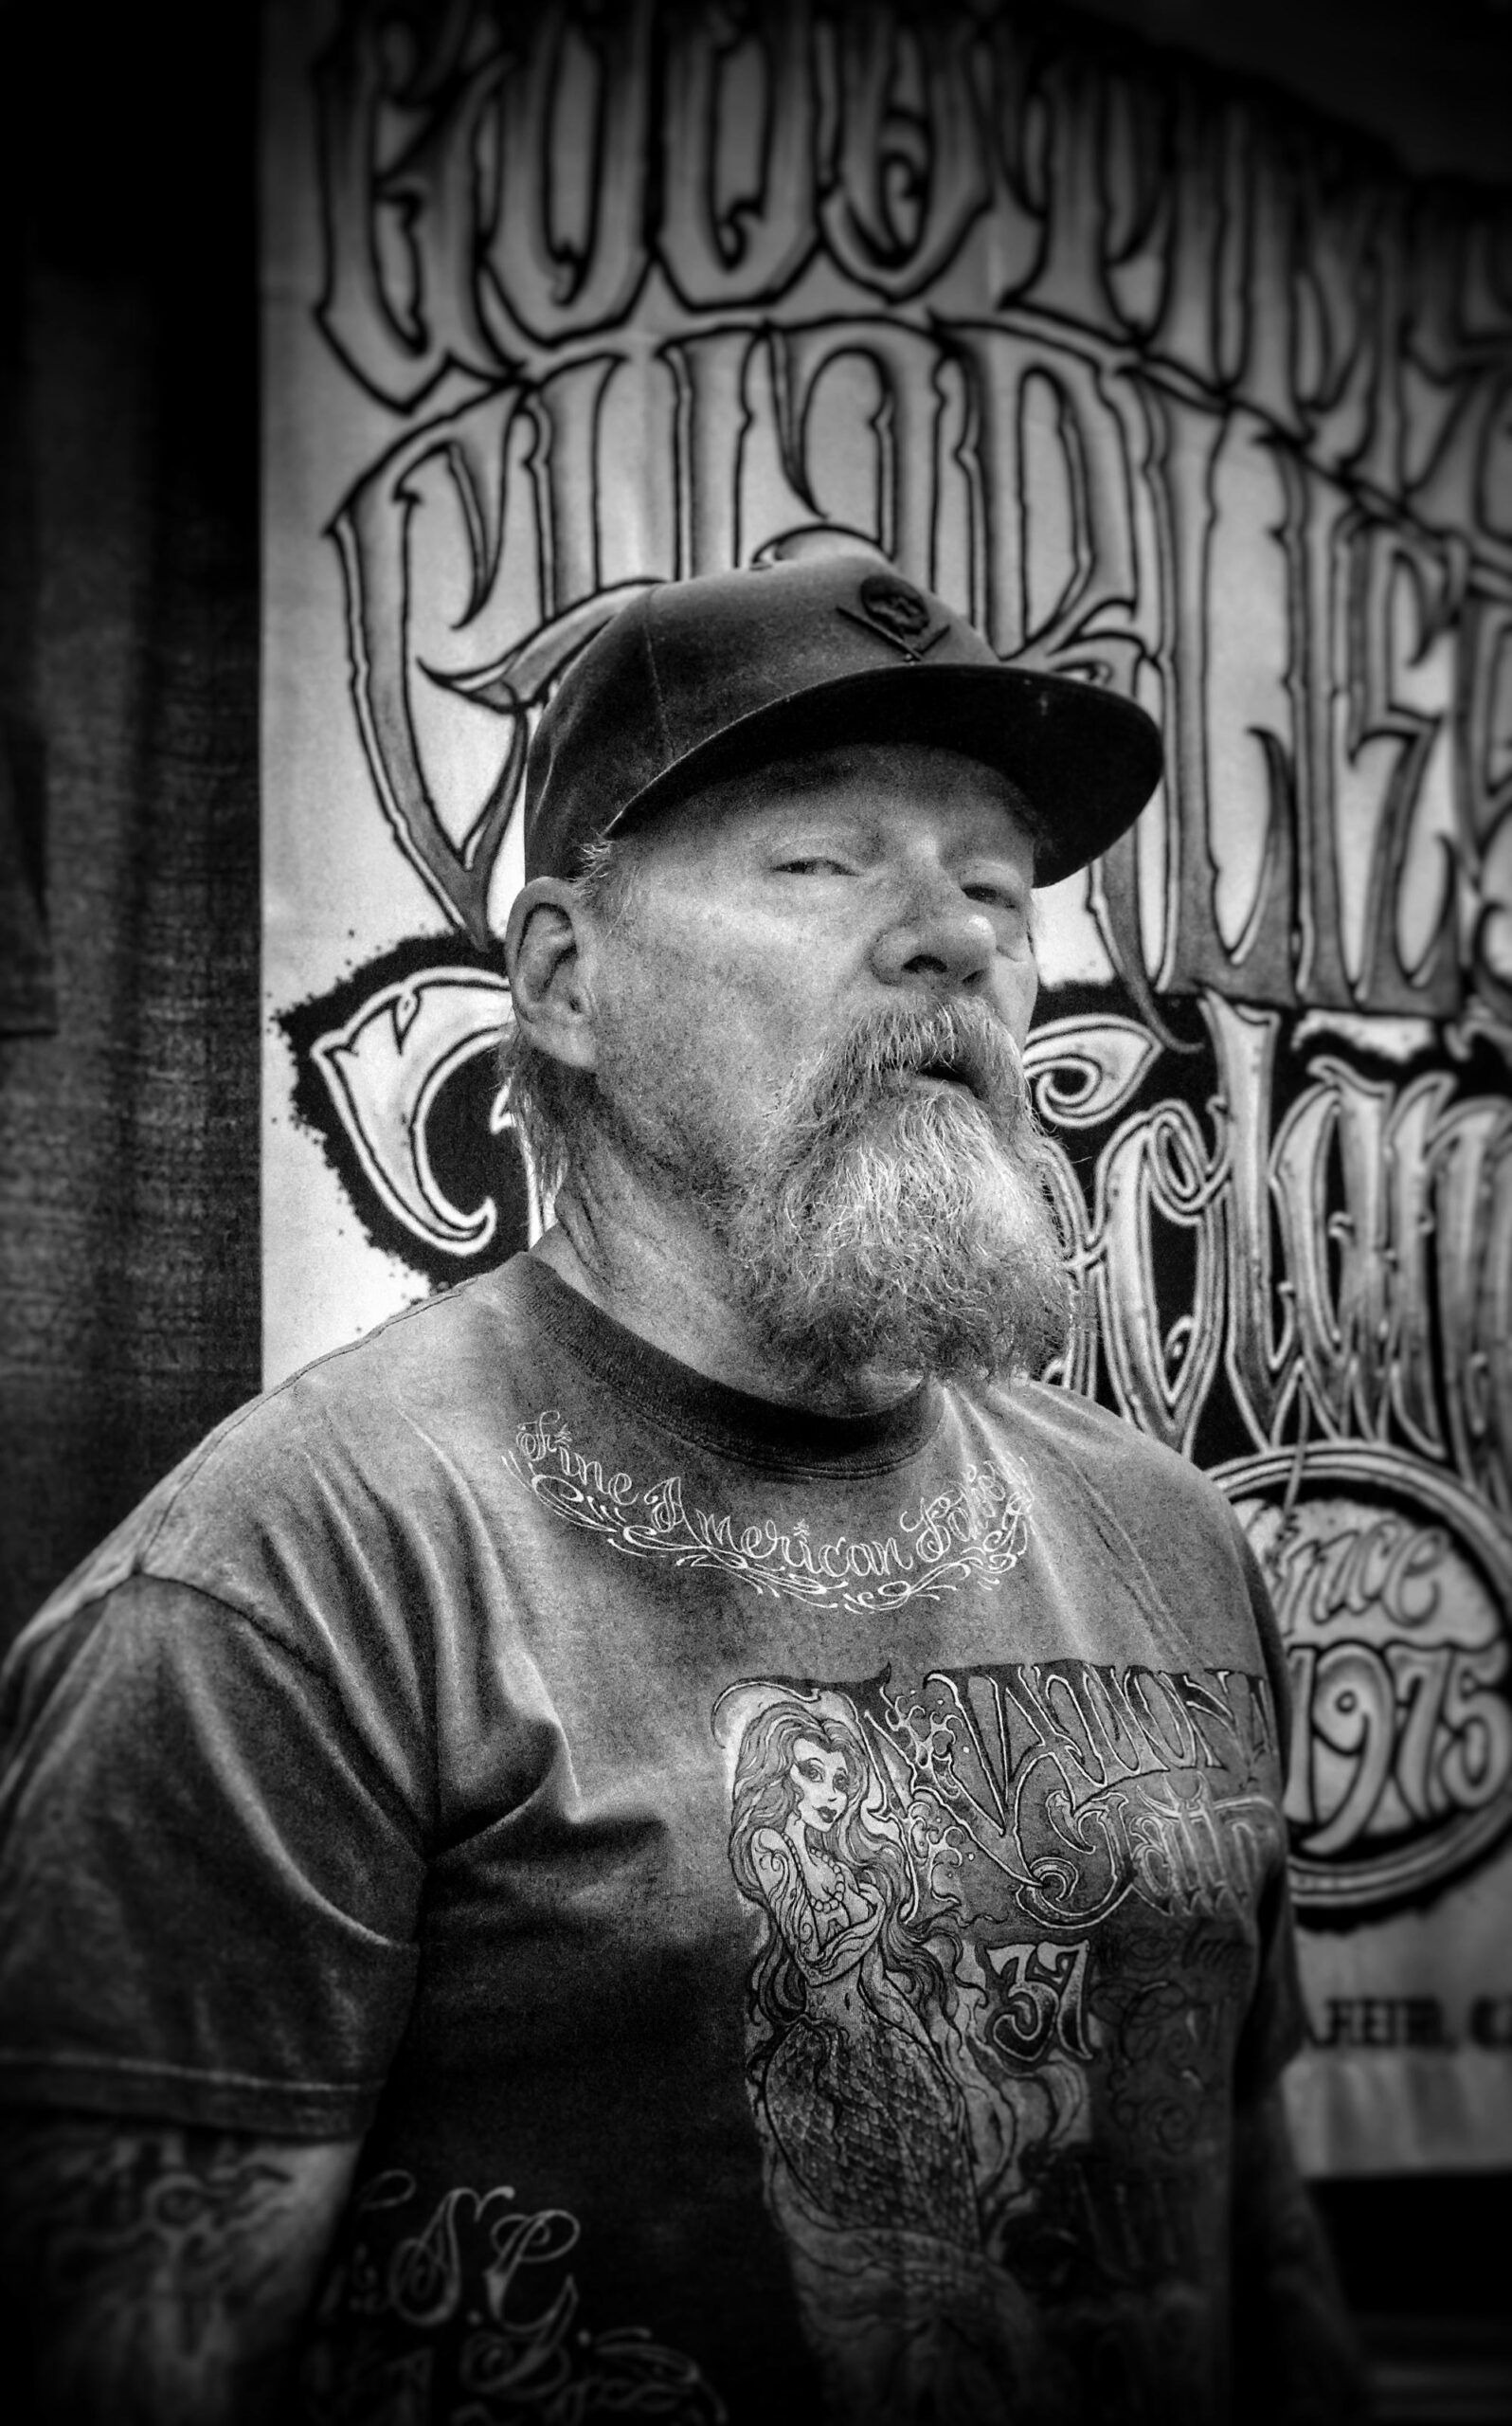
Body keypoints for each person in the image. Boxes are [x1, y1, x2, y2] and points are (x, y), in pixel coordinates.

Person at [0, 552, 1363, 2424]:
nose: (953, 937)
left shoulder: (1169, 1535)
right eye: (821, 863)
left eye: (993, 885)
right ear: (561, 975)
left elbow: (1263, 2268)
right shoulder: (284, 1590)